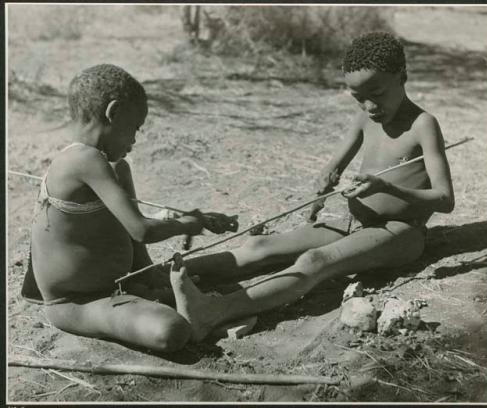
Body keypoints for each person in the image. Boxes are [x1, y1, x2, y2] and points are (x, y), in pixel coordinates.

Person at [170, 31, 455, 342]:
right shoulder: (365, 119)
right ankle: (162, 280)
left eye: (376, 93)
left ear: (402, 76)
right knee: (260, 247)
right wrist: (324, 182)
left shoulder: (423, 125)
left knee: (315, 262)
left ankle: (212, 313)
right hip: (354, 223)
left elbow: (444, 199)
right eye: (358, 97)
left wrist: (387, 187)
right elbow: (333, 168)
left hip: (400, 231)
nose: (369, 106)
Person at [21, 64, 238, 352]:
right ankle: (213, 309)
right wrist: (189, 223)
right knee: (171, 329)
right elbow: (140, 230)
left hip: (121, 284)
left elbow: (131, 234)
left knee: (213, 273)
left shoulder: (111, 166)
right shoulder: (84, 161)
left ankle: (168, 294)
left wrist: (149, 275)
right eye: (134, 128)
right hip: (76, 303)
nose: (135, 140)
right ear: (113, 113)